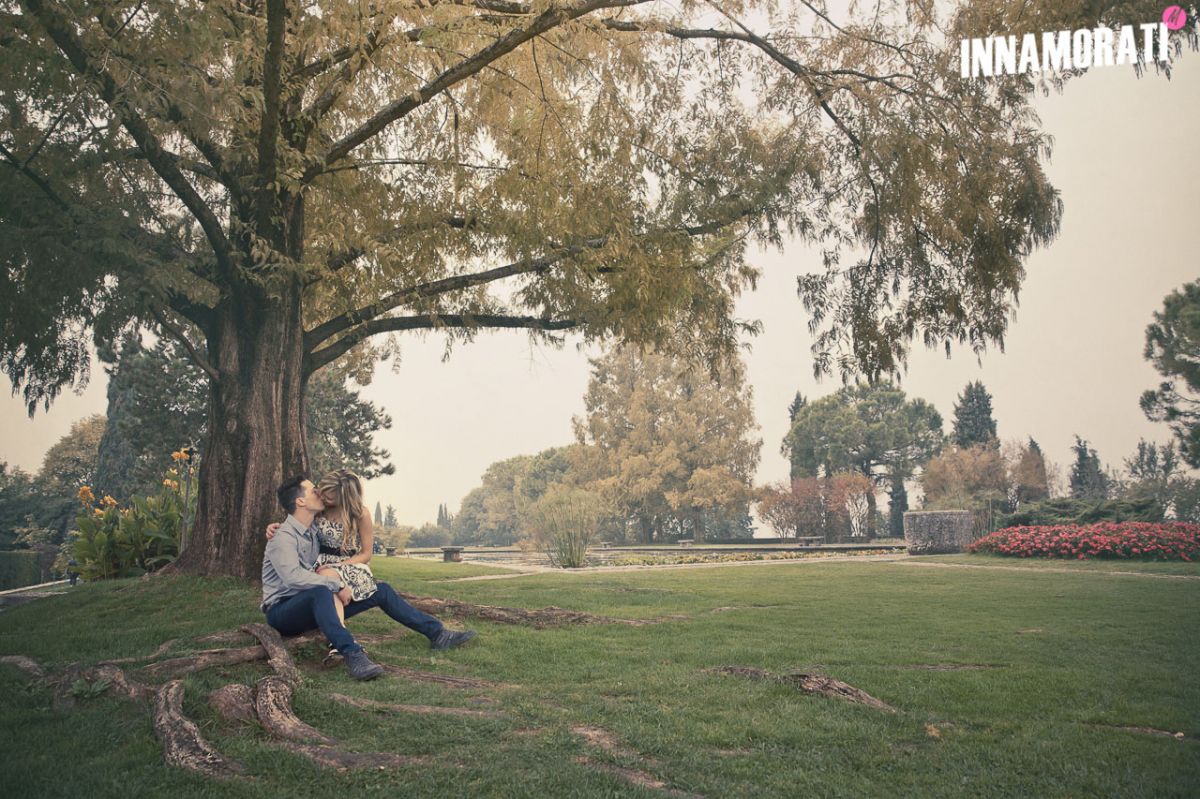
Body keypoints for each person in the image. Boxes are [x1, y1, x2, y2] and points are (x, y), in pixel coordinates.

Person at [261, 474, 476, 681]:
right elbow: (293, 578)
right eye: (313, 490)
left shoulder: (310, 531)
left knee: (380, 590)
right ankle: (353, 654)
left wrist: (337, 580)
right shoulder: (283, 538)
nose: (318, 492)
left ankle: (438, 634)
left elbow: (344, 539)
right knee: (321, 590)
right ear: (300, 500)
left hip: (312, 604)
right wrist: (335, 584)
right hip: (283, 612)